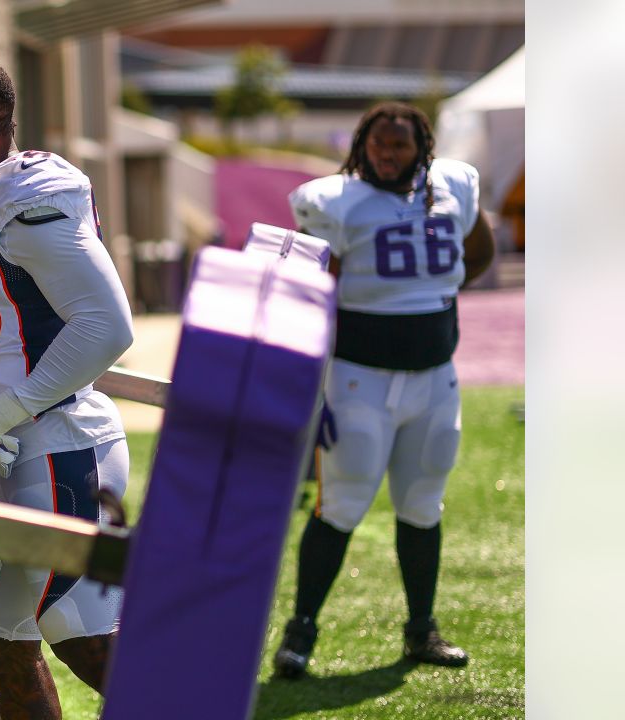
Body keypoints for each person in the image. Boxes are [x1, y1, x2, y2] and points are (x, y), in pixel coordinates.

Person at [0, 56, 134, 719]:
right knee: (5, 648)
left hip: (59, 445)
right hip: (21, 449)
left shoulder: (29, 189)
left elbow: (105, 326)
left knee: (87, 642)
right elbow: (2, 323)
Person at [272, 101, 496, 678]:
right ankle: (300, 634)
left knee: (423, 503)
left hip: (435, 379)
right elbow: (310, 285)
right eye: (377, 145)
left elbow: (480, 250)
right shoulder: (335, 201)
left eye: (398, 145)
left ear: (421, 145)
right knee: (341, 503)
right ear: (362, 147)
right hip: (358, 378)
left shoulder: (453, 186)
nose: (386, 154)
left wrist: (430, 292)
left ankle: (422, 630)